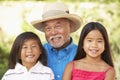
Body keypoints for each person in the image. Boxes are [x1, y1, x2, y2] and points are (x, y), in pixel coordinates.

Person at [31, 2, 82, 80]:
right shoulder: (36, 52)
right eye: (48, 28)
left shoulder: (82, 54)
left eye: (58, 26)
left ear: (70, 27)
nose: (53, 32)